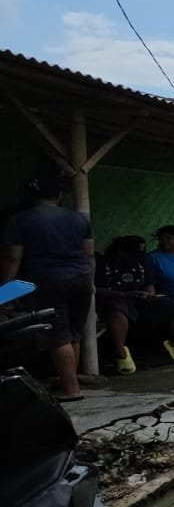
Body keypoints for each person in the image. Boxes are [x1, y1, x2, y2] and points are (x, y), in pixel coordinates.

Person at [0, 171, 92, 401]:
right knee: (73, 332)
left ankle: (71, 390)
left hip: (47, 280)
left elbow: (13, 257)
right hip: (81, 278)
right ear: (59, 195)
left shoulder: (20, 219)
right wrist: (89, 281)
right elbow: (89, 253)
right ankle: (70, 380)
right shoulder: (79, 219)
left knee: (58, 335)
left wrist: (5, 293)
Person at [97, 236, 174, 373]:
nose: (135, 257)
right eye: (131, 253)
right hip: (114, 298)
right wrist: (124, 295)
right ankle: (120, 353)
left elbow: (149, 285)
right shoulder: (103, 263)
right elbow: (94, 289)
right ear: (120, 251)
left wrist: (148, 294)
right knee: (117, 313)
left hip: (139, 299)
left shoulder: (142, 261)